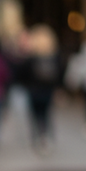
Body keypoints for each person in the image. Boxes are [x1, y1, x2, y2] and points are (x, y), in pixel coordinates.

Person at [20, 24, 62, 153]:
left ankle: (36, 139)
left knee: (35, 116)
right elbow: (60, 74)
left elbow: (22, 75)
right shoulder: (55, 57)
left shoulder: (31, 57)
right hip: (48, 91)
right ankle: (46, 138)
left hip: (33, 91)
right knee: (46, 115)